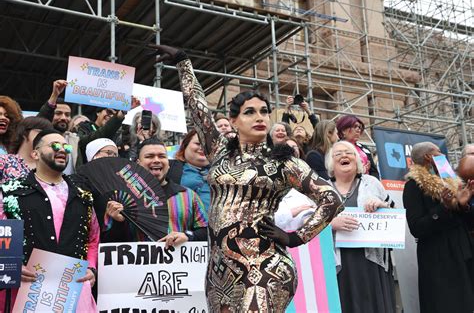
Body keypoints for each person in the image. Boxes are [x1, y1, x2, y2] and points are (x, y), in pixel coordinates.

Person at [152, 44, 342, 312]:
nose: (260, 117)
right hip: (219, 274)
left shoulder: (284, 161)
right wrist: (184, 63)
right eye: (250, 112)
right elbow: (197, 109)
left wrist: (295, 237)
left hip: (266, 269)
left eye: (264, 111)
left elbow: (331, 199)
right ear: (234, 120)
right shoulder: (218, 151)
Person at [0, 129, 99, 311]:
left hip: (73, 292)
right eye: (54, 145)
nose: (62, 149)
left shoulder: (83, 196)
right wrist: (11, 266)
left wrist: (91, 268)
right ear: (35, 153)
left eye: (66, 146)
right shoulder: (10, 192)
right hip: (26, 292)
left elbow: (93, 238)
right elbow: (1, 233)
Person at [403, 142, 474, 313]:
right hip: (438, 258)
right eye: (439, 152)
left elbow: (467, 222)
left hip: (462, 252)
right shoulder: (413, 186)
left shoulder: (452, 182)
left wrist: (463, 206)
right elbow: (417, 227)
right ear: (429, 156)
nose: (444, 156)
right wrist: (444, 207)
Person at [325, 140, 396, 313]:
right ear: (331, 164)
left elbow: (394, 213)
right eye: (338, 153)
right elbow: (308, 224)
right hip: (338, 264)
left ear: (357, 160)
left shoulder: (371, 183)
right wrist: (329, 224)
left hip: (370, 263)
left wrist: (381, 204)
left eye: (349, 152)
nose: (344, 155)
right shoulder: (322, 188)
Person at [103, 137, 208, 244]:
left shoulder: (189, 196)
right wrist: (118, 223)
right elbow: (108, 242)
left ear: (168, 163)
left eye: (162, 156)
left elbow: (206, 231)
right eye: (149, 156)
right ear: (138, 163)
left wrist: (188, 236)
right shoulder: (121, 198)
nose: (156, 160)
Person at [0, 117, 53, 183]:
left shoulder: (50, 167)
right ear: (24, 132)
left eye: (48, 134)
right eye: (41, 132)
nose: (45, 137)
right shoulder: (4, 162)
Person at [168, 129, 211, 210]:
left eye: (207, 145)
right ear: (185, 146)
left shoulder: (222, 171)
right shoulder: (169, 167)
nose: (202, 147)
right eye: (198, 143)